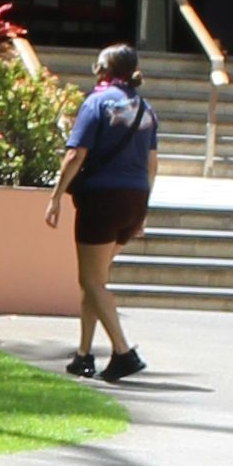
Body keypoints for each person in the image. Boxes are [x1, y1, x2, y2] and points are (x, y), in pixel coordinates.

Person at [47, 35, 159, 374]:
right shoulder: (145, 110)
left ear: (103, 71)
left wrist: (55, 196)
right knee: (93, 280)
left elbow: (75, 154)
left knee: (92, 282)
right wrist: (143, 209)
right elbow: (152, 164)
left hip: (101, 200)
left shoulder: (96, 104)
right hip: (134, 198)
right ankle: (83, 354)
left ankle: (124, 353)